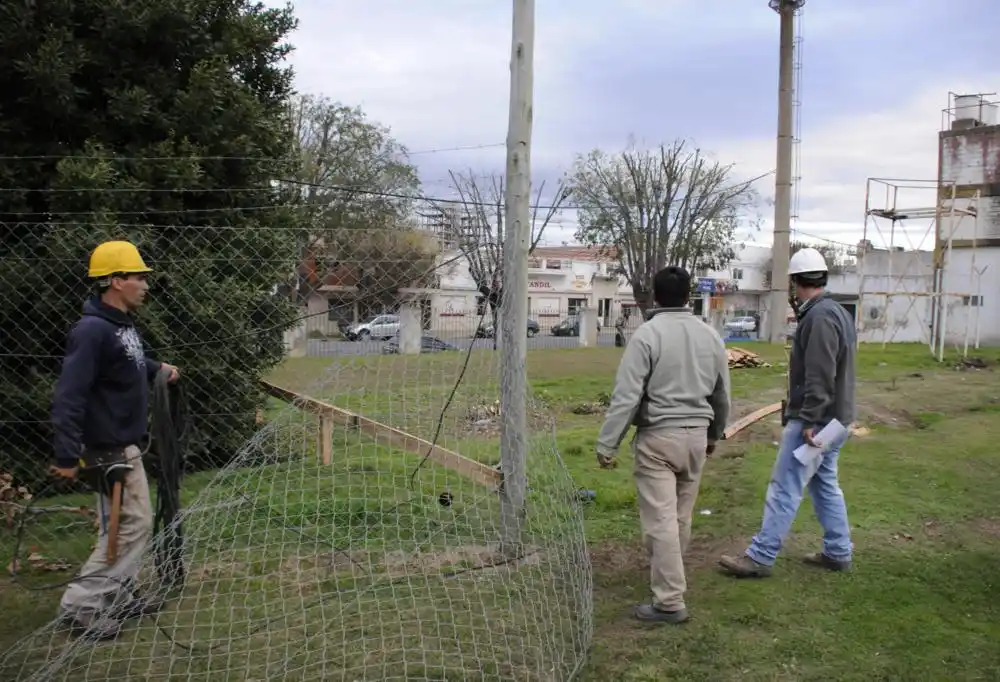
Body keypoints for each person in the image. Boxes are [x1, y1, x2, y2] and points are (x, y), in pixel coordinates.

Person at [50, 240, 180, 639]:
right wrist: (66, 455)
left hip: (124, 444)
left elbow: (127, 363)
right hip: (108, 448)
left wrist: (157, 369)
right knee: (132, 526)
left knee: (122, 527)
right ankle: (82, 605)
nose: (146, 285)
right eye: (139, 277)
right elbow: (69, 395)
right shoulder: (92, 331)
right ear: (116, 280)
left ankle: (118, 595)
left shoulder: (120, 326)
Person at [595, 266, 731, 624]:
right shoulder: (710, 335)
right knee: (680, 516)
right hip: (696, 437)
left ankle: (669, 601)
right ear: (688, 296)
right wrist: (714, 435)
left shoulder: (647, 335)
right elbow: (721, 394)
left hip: (658, 438)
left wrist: (607, 444)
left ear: (655, 296)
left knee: (661, 520)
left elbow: (627, 396)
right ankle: (670, 575)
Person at [718, 247, 856, 578]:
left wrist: (809, 419)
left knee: (785, 485)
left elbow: (820, 374)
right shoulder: (837, 312)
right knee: (824, 484)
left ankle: (761, 556)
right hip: (837, 420)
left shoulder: (820, 318)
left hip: (817, 422)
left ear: (796, 281)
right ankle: (838, 551)